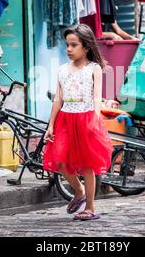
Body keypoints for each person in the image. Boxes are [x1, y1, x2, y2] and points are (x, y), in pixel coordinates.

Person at [43, 24, 113, 221]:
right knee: (60, 162)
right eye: (67, 45)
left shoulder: (94, 68)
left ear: (87, 46)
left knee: (88, 166)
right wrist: (50, 125)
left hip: (86, 119)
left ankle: (90, 207)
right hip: (65, 120)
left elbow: (97, 97)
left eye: (74, 45)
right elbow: (58, 99)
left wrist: (95, 119)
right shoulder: (62, 70)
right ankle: (79, 190)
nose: (69, 49)